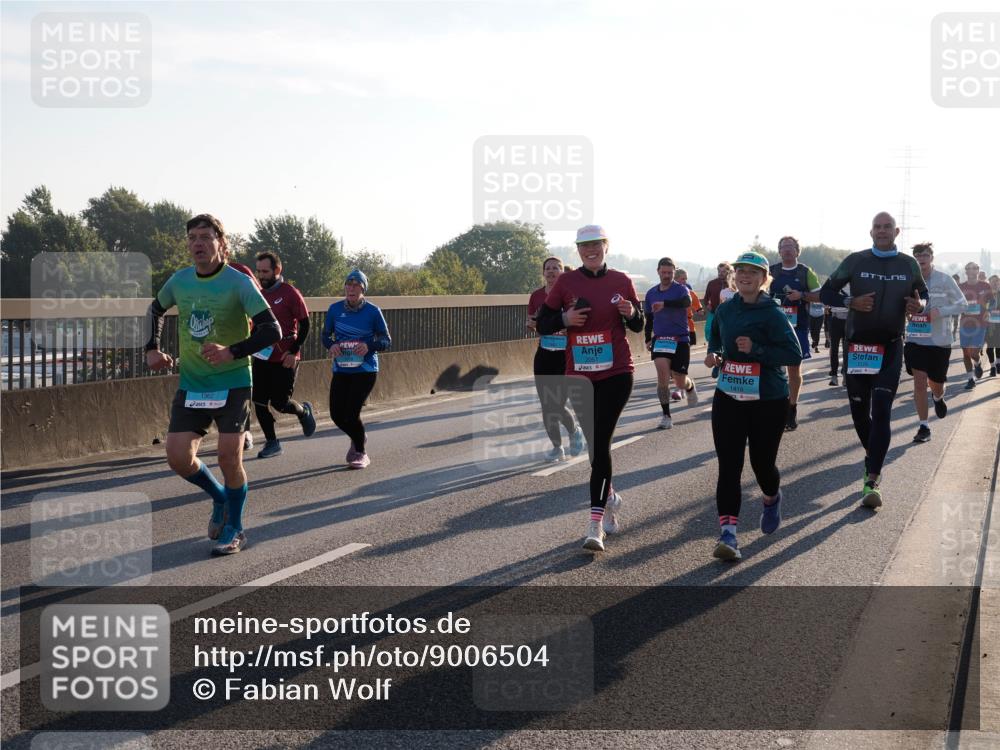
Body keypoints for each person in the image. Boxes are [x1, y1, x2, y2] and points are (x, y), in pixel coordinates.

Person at [145, 214, 281, 555]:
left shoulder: (239, 283)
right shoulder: (179, 281)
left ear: (221, 242)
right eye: (192, 238)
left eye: (205, 237)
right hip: (193, 383)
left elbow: (271, 331)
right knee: (178, 457)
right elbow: (155, 310)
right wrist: (152, 349)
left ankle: (235, 527)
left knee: (228, 457)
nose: (198, 244)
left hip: (234, 383)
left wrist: (231, 351)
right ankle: (220, 497)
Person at [536, 225, 644, 552]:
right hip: (579, 373)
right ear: (578, 250)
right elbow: (543, 322)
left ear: (606, 246)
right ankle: (610, 498)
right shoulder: (567, 283)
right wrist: (564, 320)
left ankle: (594, 524)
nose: (590, 250)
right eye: (584, 246)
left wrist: (632, 312)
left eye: (595, 245)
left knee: (600, 444)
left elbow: (639, 325)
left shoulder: (622, 281)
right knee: (596, 446)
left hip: (616, 371)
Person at [820, 212, 927, 508]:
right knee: (858, 414)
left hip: (891, 346)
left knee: (881, 410)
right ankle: (874, 454)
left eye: (887, 227)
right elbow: (827, 292)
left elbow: (924, 294)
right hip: (857, 348)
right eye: (877, 227)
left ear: (896, 231)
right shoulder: (856, 261)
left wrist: (919, 305)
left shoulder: (908, 264)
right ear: (871, 232)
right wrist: (849, 302)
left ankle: (872, 478)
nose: (882, 231)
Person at [704, 251, 802, 561]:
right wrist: (716, 355)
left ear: (763, 279)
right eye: (741, 271)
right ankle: (728, 535)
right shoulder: (726, 309)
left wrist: (757, 349)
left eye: (753, 271)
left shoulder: (772, 313)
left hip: (768, 399)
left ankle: (771, 498)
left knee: (762, 466)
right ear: (734, 277)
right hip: (729, 395)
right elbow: (716, 339)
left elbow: (793, 354)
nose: (746, 275)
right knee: (729, 466)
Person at [322, 269, 391, 469]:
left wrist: (369, 346)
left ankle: (360, 452)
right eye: (348, 285)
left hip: (366, 369)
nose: (351, 289)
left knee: (351, 414)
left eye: (356, 286)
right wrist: (331, 345)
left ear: (363, 289)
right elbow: (326, 335)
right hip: (342, 369)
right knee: (336, 415)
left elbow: (386, 340)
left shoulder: (373, 311)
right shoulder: (334, 309)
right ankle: (359, 435)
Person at [251, 251, 317, 458]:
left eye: (265, 271)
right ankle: (272, 442)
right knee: (259, 401)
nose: (261, 276)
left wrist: (294, 351)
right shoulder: (256, 293)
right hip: (262, 356)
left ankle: (303, 412)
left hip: (285, 356)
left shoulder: (290, 293)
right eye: (259, 271)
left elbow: (306, 324)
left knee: (279, 403)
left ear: (277, 270)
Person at [903, 243, 966, 443]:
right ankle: (924, 426)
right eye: (917, 255)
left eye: (925, 255)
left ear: (931, 257)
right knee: (919, 382)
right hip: (915, 339)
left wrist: (940, 312)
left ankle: (938, 397)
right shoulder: (907, 280)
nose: (921, 258)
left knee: (936, 384)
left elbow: (962, 303)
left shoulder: (944, 280)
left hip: (940, 341)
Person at [527, 257, 585, 462]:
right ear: (543, 273)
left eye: (556, 268)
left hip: (566, 355)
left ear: (563, 272)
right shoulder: (536, 296)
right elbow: (533, 322)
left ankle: (574, 430)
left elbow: (582, 322)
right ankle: (557, 447)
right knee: (546, 404)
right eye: (548, 268)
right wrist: (532, 323)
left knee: (556, 403)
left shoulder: (571, 296)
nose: (551, 271)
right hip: (544, 354)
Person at [769, 236, 821, 431]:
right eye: (784, 247)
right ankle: (774, 408)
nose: (787, 250)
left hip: (797, 327)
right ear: (779, 251)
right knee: (770, 368)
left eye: (791, 247)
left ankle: (791, 408)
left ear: (798, 251)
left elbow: (820, 295)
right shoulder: (771, 271)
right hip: (772, 327)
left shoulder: (806, 272)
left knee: (793, 370)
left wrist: (802, 295)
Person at [645, 257, 697, 430]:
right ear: (658, 271)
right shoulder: (651, 293)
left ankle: (689, 387)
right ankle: (666, 415)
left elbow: (687, 303)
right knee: (662, 377)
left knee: (680, 382)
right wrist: (647, 337)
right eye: (663, 272)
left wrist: (665, 304)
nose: (666, 275)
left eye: (670, 272)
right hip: (660, 339)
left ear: (674, 272)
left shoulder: (681, 289)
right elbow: (649, 317)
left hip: (680, 338)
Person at [957, 262, 992, 390]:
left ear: (978, 271)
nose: (971, 270)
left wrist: (988, 311)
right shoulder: (960, 287)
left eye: (974, 268)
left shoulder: (985, 285)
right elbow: (955, 302)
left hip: (980, 324)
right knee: (966, 353)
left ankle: (977, 362)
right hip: (965, 324)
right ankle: (970, 379)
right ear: (966, 271)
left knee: (973, 352)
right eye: (968, 268)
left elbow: (992, 302)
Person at [703, 263, 734, 348]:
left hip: (728, 315)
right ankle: (713, 348)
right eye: (719, 271)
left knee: (725, 333)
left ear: (729, 272)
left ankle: (725, 349)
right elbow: (706, 298)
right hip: (714, 312)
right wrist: (707, 305)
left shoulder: (733, 285)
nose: (720, 273)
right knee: (708, 331)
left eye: (723, 271)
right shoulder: (712, 283)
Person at [674, 268, 702, 346]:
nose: (685, 281)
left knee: (685, 350)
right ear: (675, 279)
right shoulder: (668, 293)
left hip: (688, 325)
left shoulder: (690, 293)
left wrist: (700, 311)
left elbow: (698, 308)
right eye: (682, 279)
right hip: (674, 326)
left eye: (685, 279)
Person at [827, 287, 849, 386]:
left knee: (847, 350)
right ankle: (834, 376)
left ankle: (845, 376)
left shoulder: (853, 284)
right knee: (834, 349)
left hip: (849, 320)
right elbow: (825, 301)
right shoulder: (834, 285)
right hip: (835, 320)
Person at [986, 275, 1000, 377]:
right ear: (989, 283)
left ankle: (998, 363)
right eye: (993, 282)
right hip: (988, 324)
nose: (995, 283)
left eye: (997, 281)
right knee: (990, 347)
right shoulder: (986, 295)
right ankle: (992, 367)